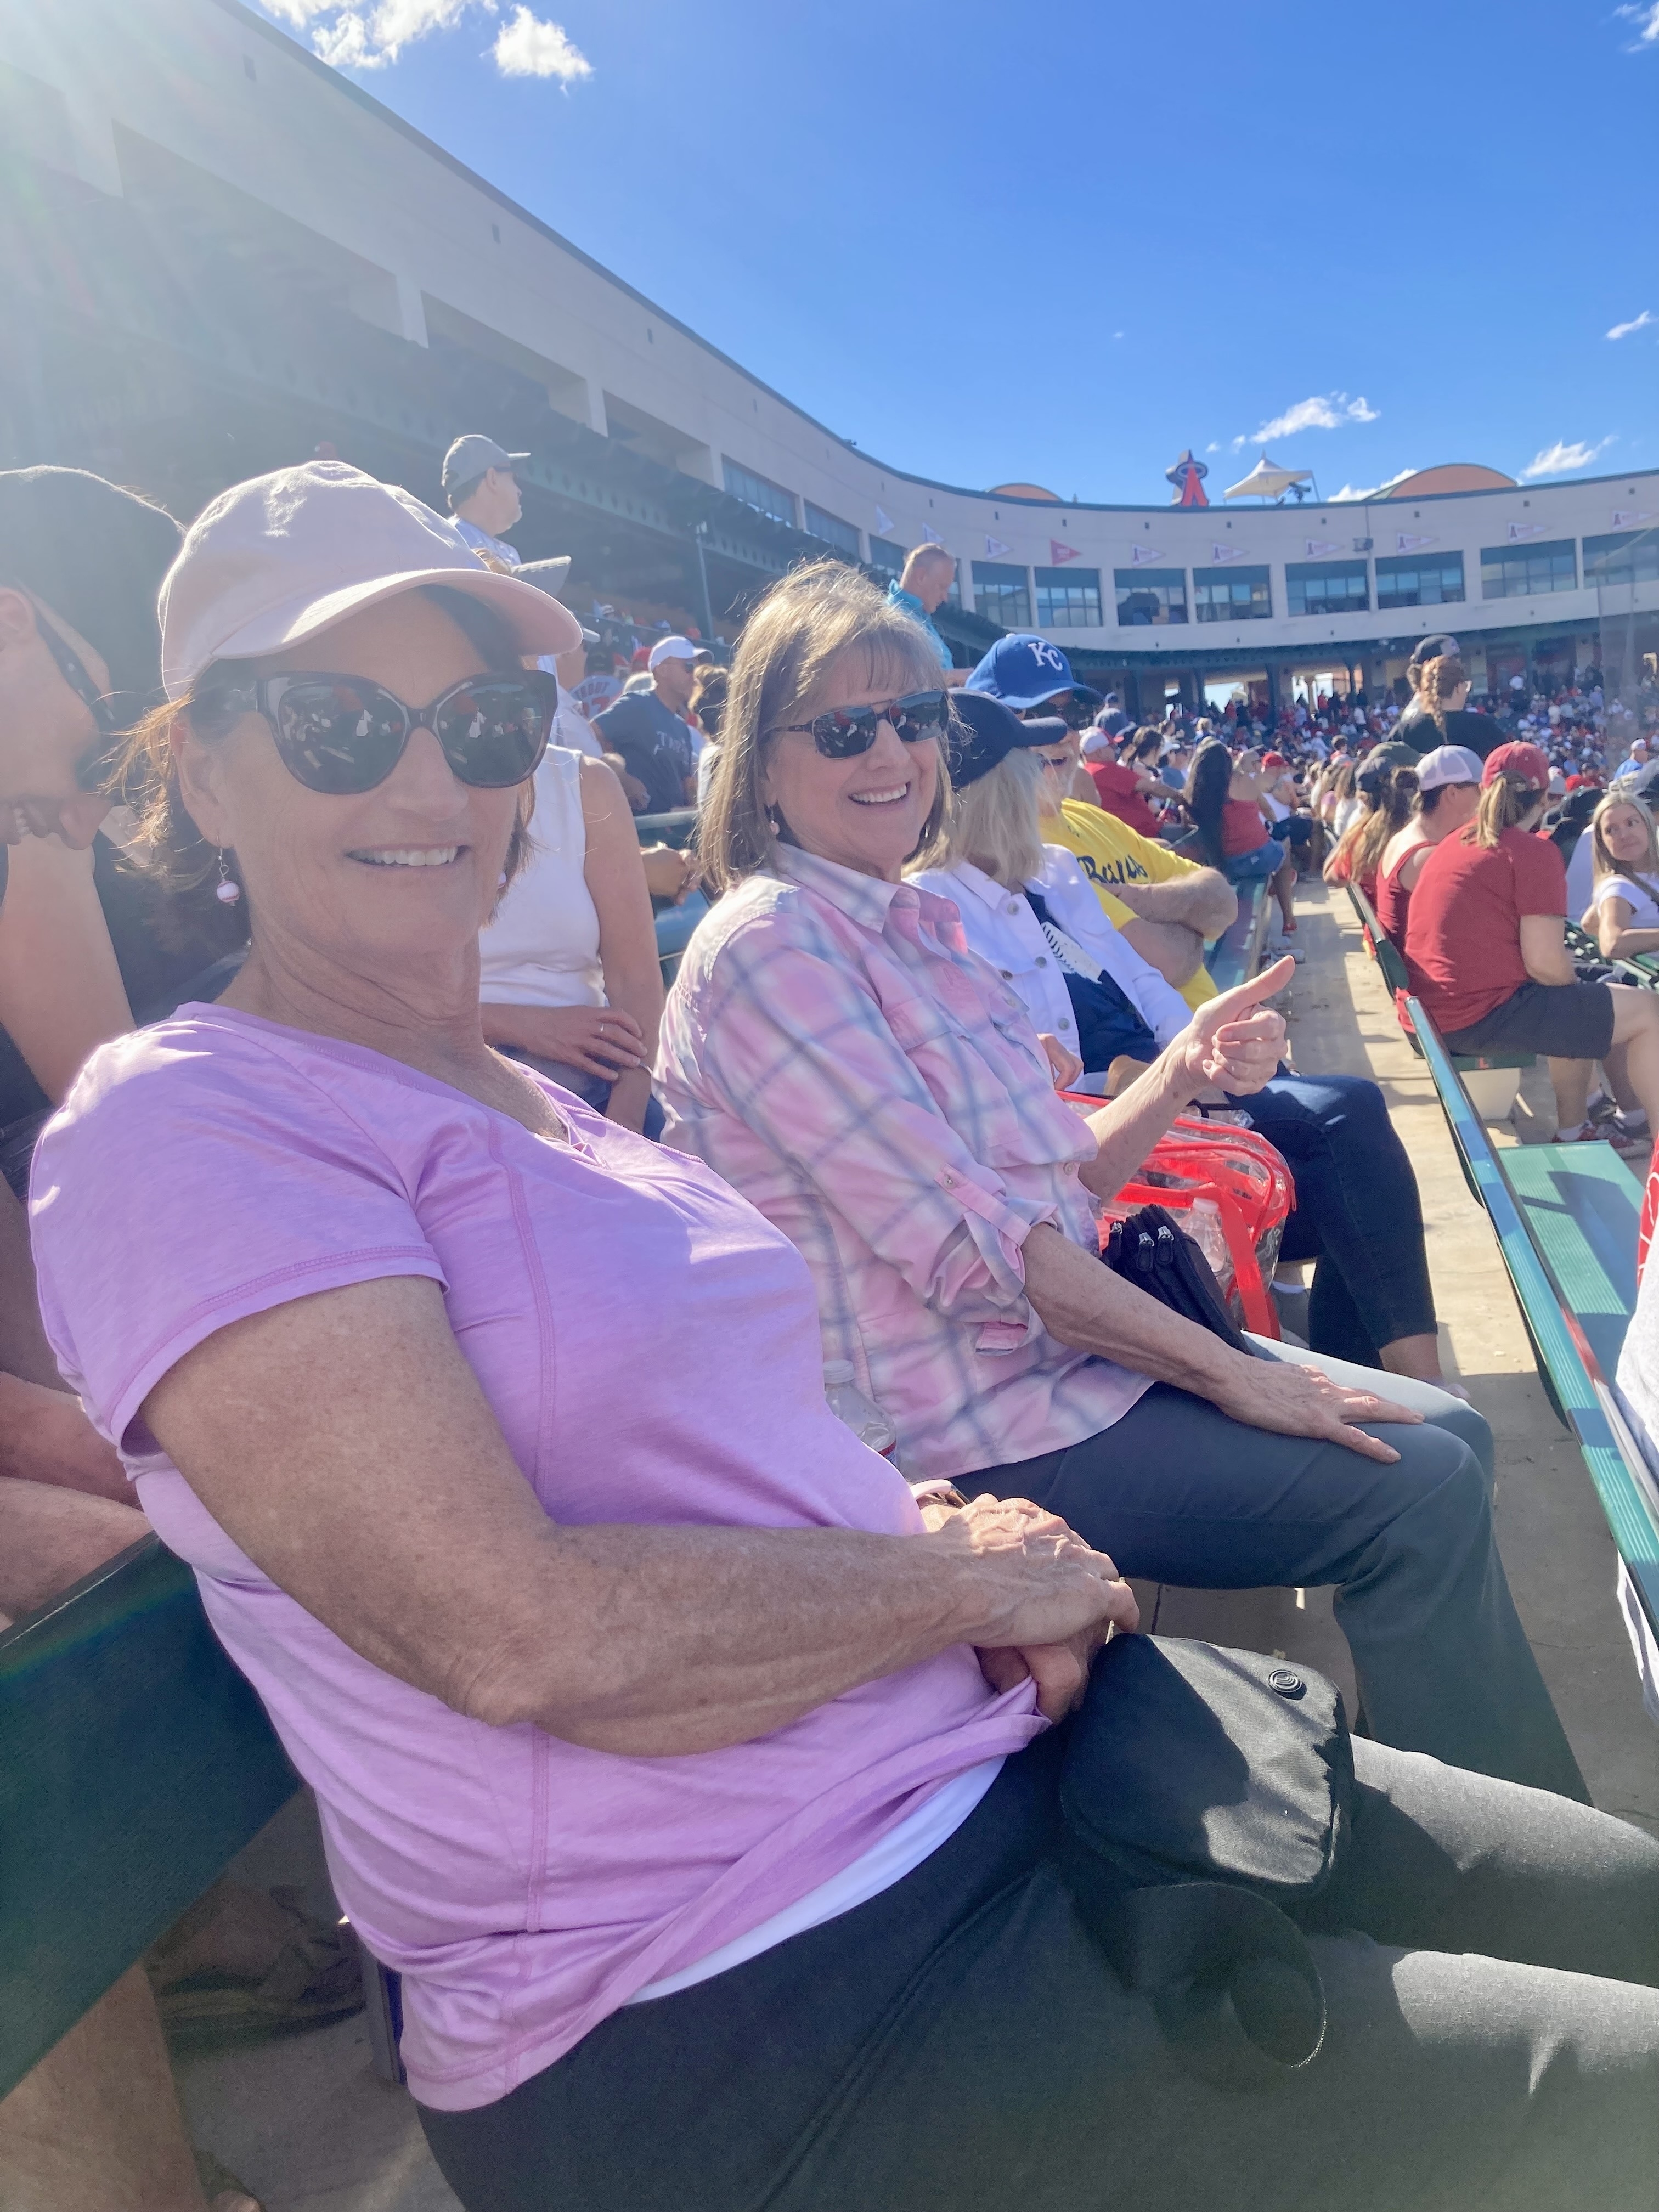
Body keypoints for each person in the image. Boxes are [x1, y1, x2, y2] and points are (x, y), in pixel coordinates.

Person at [31, 469, 1656, 2212]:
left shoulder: (546, 1107)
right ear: (200, 766)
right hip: (744, 1978)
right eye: (339, 725)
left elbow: (747, 1433)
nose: (431, 782)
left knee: (1626, 1907)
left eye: (485, 723)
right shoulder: (189, 1123)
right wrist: (965, 1585)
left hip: (993, 1762)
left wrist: (941, 1529)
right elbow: (515, 1632)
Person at [662, 558, 1585, 1800]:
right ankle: (1519, 1859)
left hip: (1056, 1371)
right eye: (843, 729)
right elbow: (995, 1259)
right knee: (1416, 1491)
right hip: (966, 1428)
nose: (890, 752)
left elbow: (1060, 1189)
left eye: (913, 719)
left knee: (1453, 1434)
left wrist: (1181, 1070)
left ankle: (1455, 1797)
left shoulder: (910, 925)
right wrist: (1235, 1374)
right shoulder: (773, 948)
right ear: (761, 762)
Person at [909, 694, 1456, 1387]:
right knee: (1348, 1131)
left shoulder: (1056, 872)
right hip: (1121, 1132)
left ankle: (1392, 1385)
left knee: (1353, 1160)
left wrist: (1219, 1054)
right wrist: (1180, 1076)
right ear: (995, 793)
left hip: (1182, 1094)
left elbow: (1147, 984)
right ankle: (1417, 1388)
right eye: (1036, 766)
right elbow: (1040, 1087)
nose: (1052, 781)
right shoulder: (931, 909)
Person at [1403, 742, 1659, 1148]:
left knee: (1588, 996)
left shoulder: (1455, 842)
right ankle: (1645, 1134)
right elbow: (1544, 963)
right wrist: (1577, 989)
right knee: (1646, 1009)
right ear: (1544, 799)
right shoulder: (1531, 851)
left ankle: (1578, 1127)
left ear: (1485, 791)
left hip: (1438, 1008)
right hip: (1474, 1016)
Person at [478, 741, 667, 1134]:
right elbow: (371, 1006)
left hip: (594, 1086)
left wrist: (625, 1123)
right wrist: (524, 1027)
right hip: (450, 1082)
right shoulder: (401, 786)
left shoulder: (585, 783)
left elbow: (636, 980)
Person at [1182, 740, 1298, 944]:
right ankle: (1289, 919)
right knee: (1283, 853)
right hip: (1261, 857)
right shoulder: (1243, 780)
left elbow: (1188, 821)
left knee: (1271, 855)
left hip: (1227, 864)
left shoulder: (1197, 793)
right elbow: (1268, 811)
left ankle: (1274, 887)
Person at [1374, 744, 1483, 943]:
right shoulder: (1427, 856)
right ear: (1453, 793)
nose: (1484, 797)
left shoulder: (1408, 837)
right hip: (1413, 960)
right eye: (1479, 789)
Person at [591, 636, 700, 813]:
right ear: (662, 670)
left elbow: (686, 785)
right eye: (689, 667)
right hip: (641, 827)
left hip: (671, 826)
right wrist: (620, 776)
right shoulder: (637, 705)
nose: (695, 678)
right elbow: (588, 735)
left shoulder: (682, 728)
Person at [1583, 789, 1659, 960]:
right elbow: (1613, 943)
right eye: (1611, 830)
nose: (1623, 835)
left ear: (1648, 825)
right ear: (1603, 843)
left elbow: (1589, 923)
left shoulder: (1645, 877)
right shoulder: (1619, 886)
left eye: (1631, 823)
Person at [884, 543, 961, 682]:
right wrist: (957, 677)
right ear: (921, 576)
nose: (945, 598)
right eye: (942, 587)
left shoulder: (919, 617)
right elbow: (903, 681)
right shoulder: (889, 620)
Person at [1086, 725, 1165, 838]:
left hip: (1132, 833)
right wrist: (1179, 797)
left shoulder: (1086, 772)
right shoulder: (1107, 771)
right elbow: (1152, 788)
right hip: (1141, 835)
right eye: (1112, 747)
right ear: (1099, 752)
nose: (1116, 751)